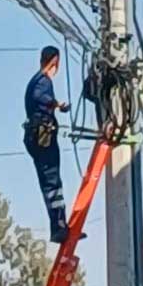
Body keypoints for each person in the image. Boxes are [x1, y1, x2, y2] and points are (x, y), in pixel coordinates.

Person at [23, 46, 83, 244]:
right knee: (52, 181)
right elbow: (40, 97)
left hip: (37, 137)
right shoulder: (42, 81)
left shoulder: (36, 81)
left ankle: (59, 225)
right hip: (42, 137)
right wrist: (58, 104)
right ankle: (58, 226)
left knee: (51, 182)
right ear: (54, 61)